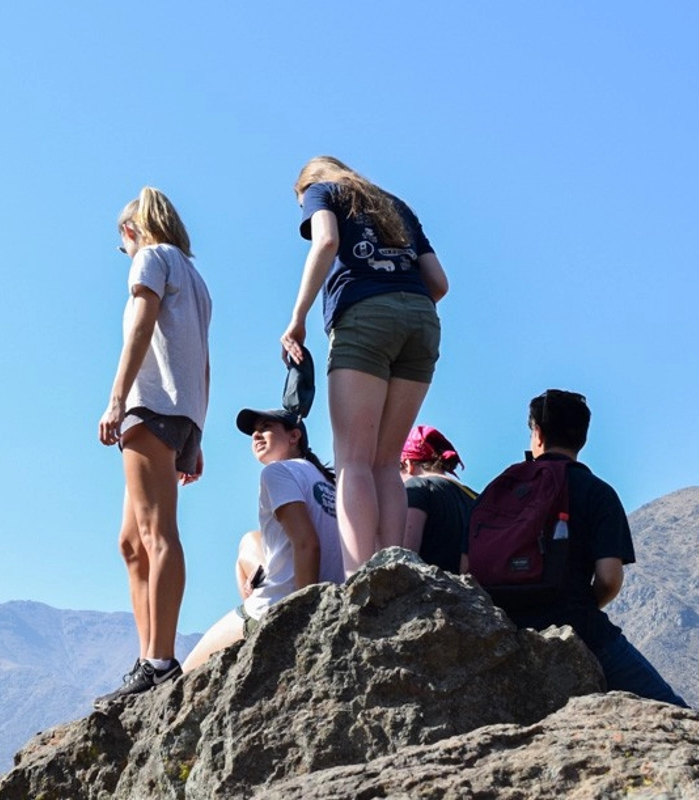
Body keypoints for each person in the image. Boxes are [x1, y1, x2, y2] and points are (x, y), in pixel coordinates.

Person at [463, 390, 688, 707]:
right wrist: (578, 608)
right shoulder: (598, 492)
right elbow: (609, 578)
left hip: (497, 629)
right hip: (578, 626)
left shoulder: (496, 492)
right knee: (670, 710)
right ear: (583, 437)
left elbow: (465, 570)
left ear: (538, 434)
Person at [280, 156, 449, 576]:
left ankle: (360, 576)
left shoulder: (321, 191)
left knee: (353, 459)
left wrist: (298, 319)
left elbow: (325, 242)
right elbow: (439, 283)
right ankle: (395, 569)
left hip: (364, 314)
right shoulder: (395, 205)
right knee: (386, 461)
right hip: (422, 320)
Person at [96, 187, 212, 703]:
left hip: (150, 407)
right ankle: (149, 655)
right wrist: (197, 431)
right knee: (131, 542)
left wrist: (116, 399)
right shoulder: (194, 276)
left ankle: (159, 661)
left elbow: (140, 329)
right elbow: (201, 356)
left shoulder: (150, 258)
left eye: (121, 245)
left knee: (156, 534)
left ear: (130, 231)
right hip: (179, 413)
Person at [182, 408, 342, 672]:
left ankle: (255, 619)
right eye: (254, 431)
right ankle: (258, 593)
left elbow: (307, 544)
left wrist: (306, 617)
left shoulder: (277, 472)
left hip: (281, 606)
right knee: (249, 540)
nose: (256, 435)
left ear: (294, 436)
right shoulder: (331, 483)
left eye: (266, 427)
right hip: (332, 593)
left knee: (185, 674)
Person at [400, 425, 477, 575]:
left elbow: (406, 556)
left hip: (430, 587)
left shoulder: (416, 487)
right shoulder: (476, 498)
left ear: (408, 464)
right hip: (470, 588)